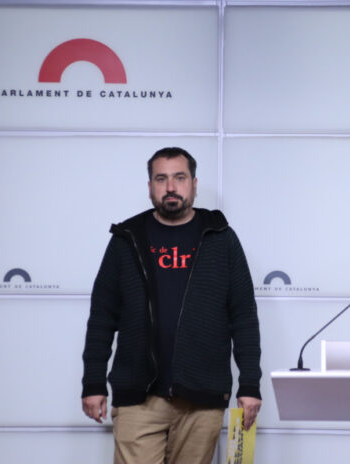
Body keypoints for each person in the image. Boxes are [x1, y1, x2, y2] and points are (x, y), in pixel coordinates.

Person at [81, 147, 262, 464]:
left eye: (180, 177)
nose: (171, 187)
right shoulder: (126, 239)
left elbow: (243, 316)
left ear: (194, 183)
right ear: (150, 186)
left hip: (201, 397)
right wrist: (93, 382)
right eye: (161, 179)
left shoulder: (221, 239)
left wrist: (249, 384)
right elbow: (102, 317)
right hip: (138, 397)